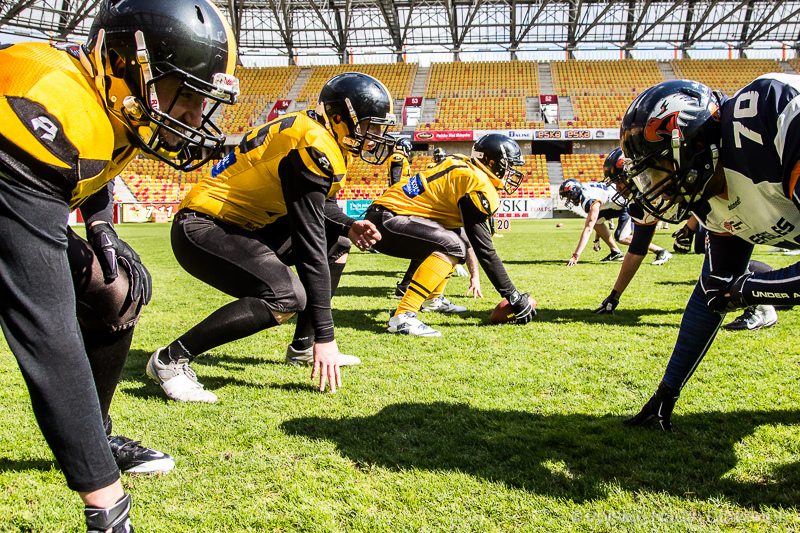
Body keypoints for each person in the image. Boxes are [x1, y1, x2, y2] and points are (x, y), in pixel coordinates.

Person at [0, 0, 239, 529]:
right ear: (122, 64)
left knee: (115, 289)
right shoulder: (42, 100)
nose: (195, 119)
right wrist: (105, 501)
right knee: (53, 320)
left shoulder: (106, 98)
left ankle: (98, 429)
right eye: (185, 96)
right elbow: (47, 330)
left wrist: (102, 223)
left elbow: (101, 154)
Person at [146, 72, 394, 403]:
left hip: (244, 224)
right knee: (287, 296)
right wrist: (327, 335)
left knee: (337, 243)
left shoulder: (321, 135)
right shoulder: (313, 143)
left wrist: (349, 225)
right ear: (339, 119)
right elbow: (308, 247)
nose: (376, 136)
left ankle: (302, 348)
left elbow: (322, 210)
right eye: (369, 127)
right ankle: (170, 359)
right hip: (204, 225)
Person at [617, 74, 800, 432]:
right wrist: (666, 392)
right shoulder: (707, 193)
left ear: (695, 145)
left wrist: (751, 291)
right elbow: (712, 294)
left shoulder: (768, 118)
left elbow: (739, 289)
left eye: (657, 168)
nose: (655, 188)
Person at [365, 133, 535, 336]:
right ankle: (403, 317)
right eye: (507, 165)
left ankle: (432, 300)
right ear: (490, 162)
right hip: (388, 220)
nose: (510, 172)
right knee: (453, 246)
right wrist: (513, 296)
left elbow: (466, 237)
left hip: (387, 215)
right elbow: (485, 250)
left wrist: (476, 276)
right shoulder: (475, 181)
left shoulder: (463, 164)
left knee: (456, 242)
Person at [591, 148, 677, 314]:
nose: (617, 187)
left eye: (619, 181)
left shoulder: (672, 182)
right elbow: (637, 250)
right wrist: (615, 295)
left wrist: (691, 227)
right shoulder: (641, 202)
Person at [559, 179, 628, 265]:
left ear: (575, 192)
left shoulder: (588, 198)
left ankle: (648, 246)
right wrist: (596, 239)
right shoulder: (586, 188)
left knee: (622, 237)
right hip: (617, 202)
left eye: (569, 197)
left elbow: (588, 229)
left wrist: (575, 256)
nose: (569, 200)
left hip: (626, 202)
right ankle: (616, 252)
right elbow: (596, 220)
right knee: (597, 222)